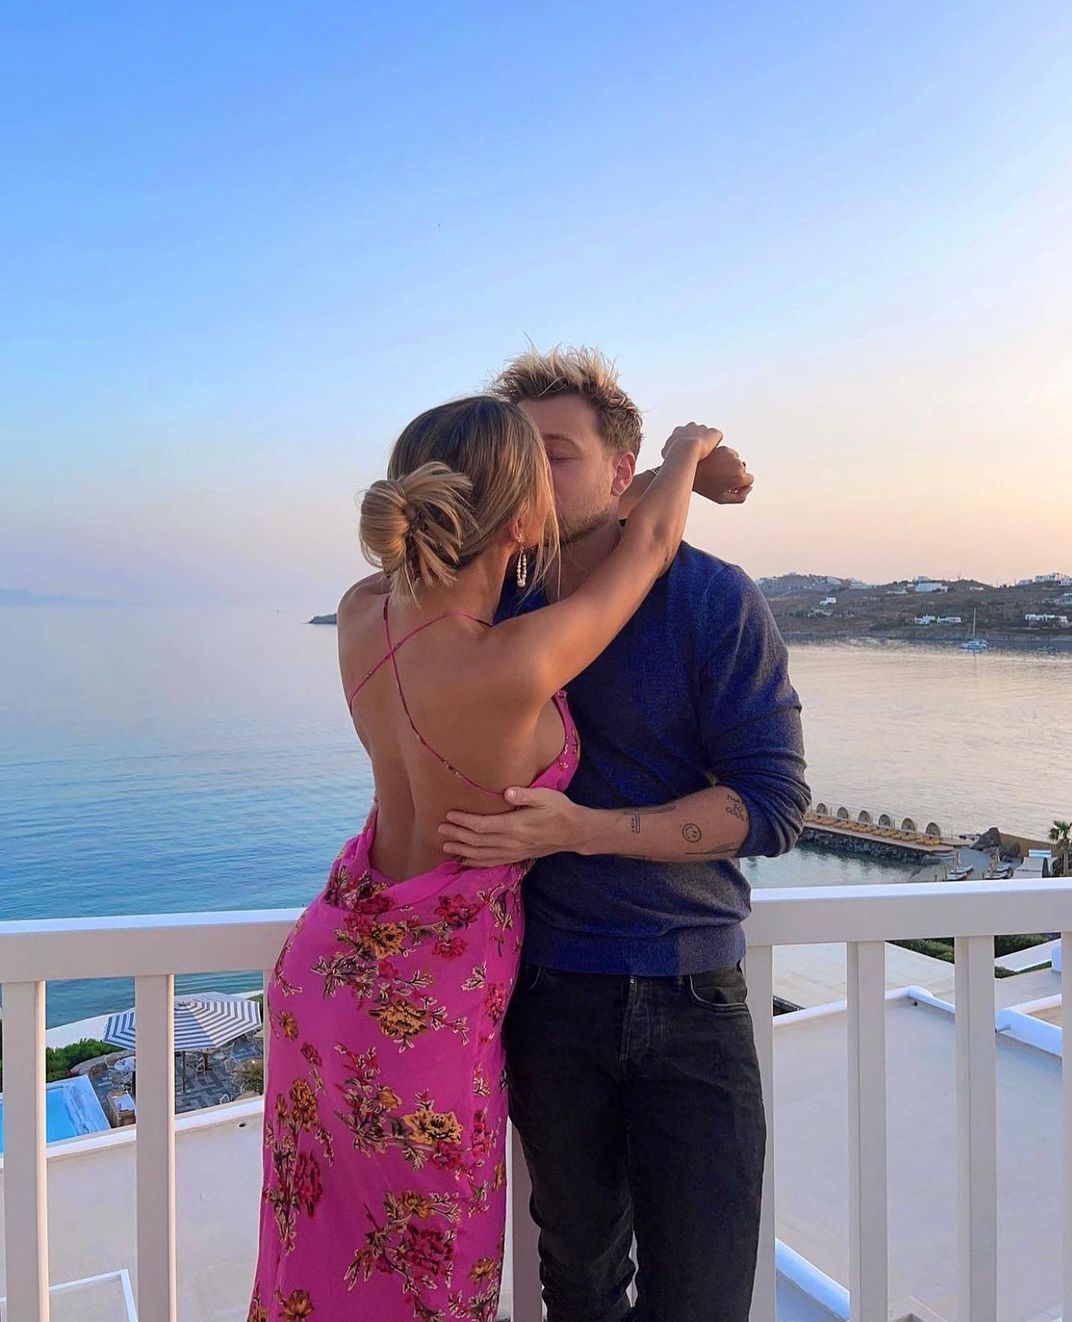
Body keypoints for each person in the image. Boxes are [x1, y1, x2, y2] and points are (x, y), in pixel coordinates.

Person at [246, 394, 727, 1322]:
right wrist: (687, 450)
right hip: (427, 1011)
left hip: (327, 972)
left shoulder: (358, 613)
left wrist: (646, 488)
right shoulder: (516, 660)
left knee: (318, 1261)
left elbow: (610, 533)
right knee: (431, 1281)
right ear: (521, 522)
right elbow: (651, 549)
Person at [437, 347, 811, 1322]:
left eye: (556, 455)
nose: (529, 477)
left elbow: (772, 803)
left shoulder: (713, 600)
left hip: (694, 995)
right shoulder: (489, 604)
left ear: (619, 470)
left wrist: (583, 830)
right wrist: (684, 466)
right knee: (580, 1284)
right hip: (548, 994)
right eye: (515, 456)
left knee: (703, 1296)